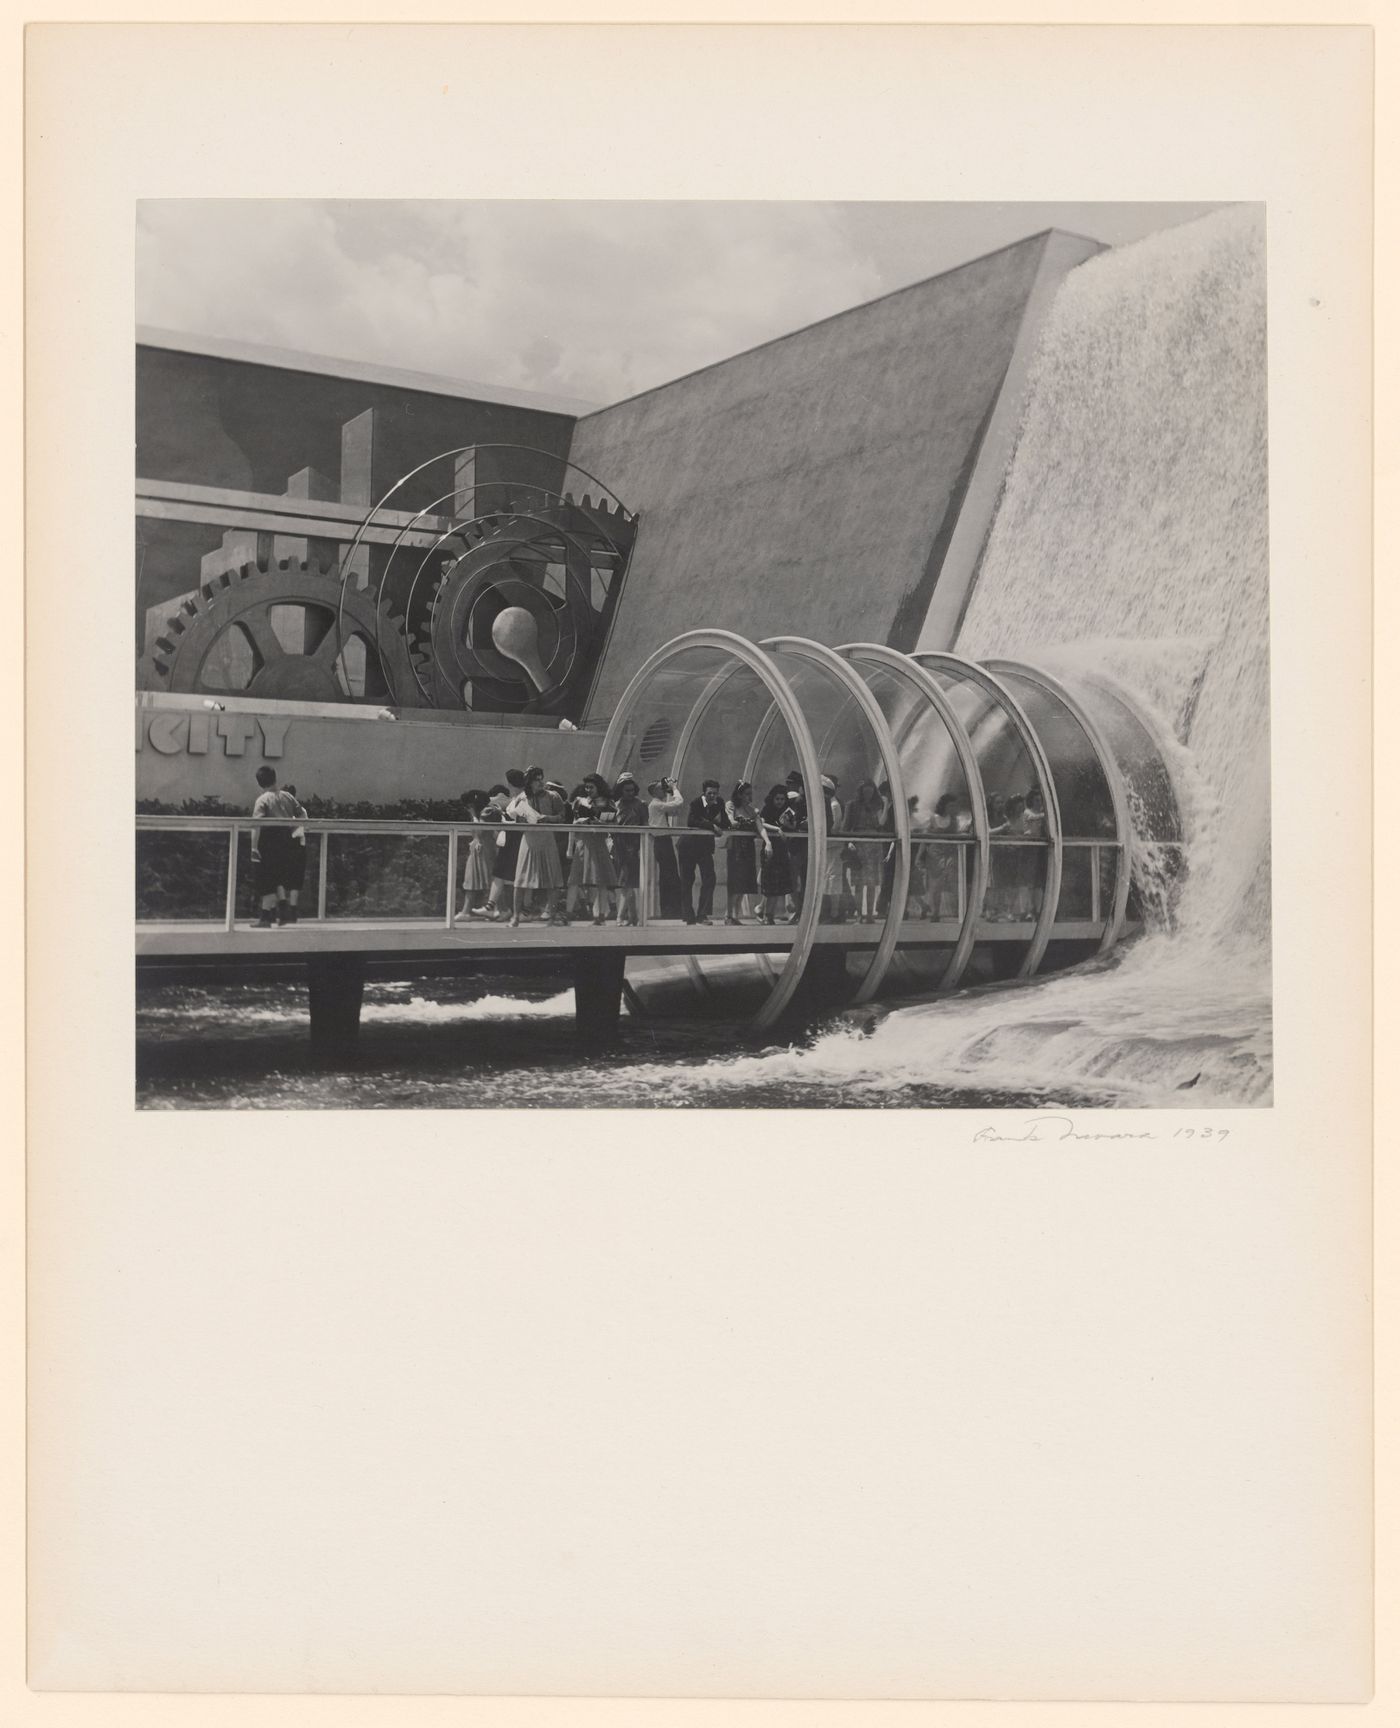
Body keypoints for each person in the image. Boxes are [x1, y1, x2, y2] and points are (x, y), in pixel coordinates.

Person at [508, 765, 567, 927]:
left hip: (547, 841)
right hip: (529, 840)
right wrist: (523, 818)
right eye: (536, 780)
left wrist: (546, 818)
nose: (540, 783)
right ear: (529, 782)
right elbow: (516, 818)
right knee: (520, 880)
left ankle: (552, 918)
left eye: (541, 779)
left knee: (553, 880)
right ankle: (515, 917)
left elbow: (562, 817)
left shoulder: (553, 796)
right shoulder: (521, 798)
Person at [248, 765, 303, 927]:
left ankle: (266, 917)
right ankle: (281, 911)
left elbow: (256, 825)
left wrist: (254, 847)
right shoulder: (287, 796)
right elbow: (301, 813)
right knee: (278, 877)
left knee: (265, 878)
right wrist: (295, 829)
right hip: (286, 840)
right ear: (275, 778)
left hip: (269, 840)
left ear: (259, 783)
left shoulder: (263, 800)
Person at [677, 778, 730, 925]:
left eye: (715, 793)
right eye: (710, 793)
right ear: (704, 792)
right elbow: (691, 821)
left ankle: (702, 914)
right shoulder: (696, 803)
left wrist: (715, 820)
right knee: (687, 880)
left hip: (704, 847)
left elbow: (726, 822)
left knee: (709, 878)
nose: (713, 796)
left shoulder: (719, 803)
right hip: (688, 846)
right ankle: (688, 915)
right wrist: (712, 826)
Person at [570, 773, 617, 925]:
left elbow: (613, 823)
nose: (588, 790)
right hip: (583, 843)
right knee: (576, 879)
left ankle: (601, 915)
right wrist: (579, 822)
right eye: (587, 787)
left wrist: (597, 821)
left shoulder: (607, 803)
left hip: (598, 843)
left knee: (601, 880)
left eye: (591, 787)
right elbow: (573, 822)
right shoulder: (581, 801)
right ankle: (569, 913)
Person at [845, 779, 886, 923]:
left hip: (874, 846)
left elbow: (881, 824)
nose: (868, 793)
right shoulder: (852, 805)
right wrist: (849, 841)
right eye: (865, 790)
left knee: (872, 883)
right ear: (861, 791)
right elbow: (846, 826)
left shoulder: (877, 806)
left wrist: (885, 806)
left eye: (871, 791)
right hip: (859, 845)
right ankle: (859, 914)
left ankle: (869, 914)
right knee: (859, 883)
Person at [610, 772, 648, 927]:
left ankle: (620, 916)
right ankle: (634, 916)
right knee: (626, 882)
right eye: (627, 790)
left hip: (633, 847)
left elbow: (645, 824)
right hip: (618, 846)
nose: (630, 793)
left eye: (632, 790)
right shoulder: (615, 805)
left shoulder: (640, 805)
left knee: (627, 882)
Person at [646, 776, 685, 919]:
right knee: (670, 876)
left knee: (668, 876)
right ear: (654, 792)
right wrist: (674, 788)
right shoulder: (656, 804)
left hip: (663, 841)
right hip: (662, 842)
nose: (664, 790)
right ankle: (671, 910)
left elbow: (675, 811)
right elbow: (679, 803)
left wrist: (670, 792)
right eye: (661, 789)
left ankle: (671, 909)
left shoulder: (658, 805)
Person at [723, 781, 761, 923]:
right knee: (735, 882)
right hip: (736, 847)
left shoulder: (751, 810)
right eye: (746, 794)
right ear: (739, 794)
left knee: (744, 883)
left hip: (748, 847)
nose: (749, 796)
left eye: (750, 794)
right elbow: (731, 821)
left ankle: (735, 914)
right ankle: (729, 915)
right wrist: (746, 821)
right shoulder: (731, 805)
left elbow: (759, 825)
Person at [758, 784, 794, 924]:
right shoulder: (767, 809)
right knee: (771, 885)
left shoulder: (788, 811)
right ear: (772, 798)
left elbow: (792, 826)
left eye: (782, 799)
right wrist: (778, 829)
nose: (780, 801)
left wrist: (788, 824)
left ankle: (769, 914)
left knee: (779, 885)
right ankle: (768, 915)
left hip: (782, 850)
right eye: (777, 798)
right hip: (770, 849)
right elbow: (761, 823)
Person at [457, 788, 493, 918]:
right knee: (471, 880)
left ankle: (498, 910)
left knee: (489, 881)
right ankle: (466, 911)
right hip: (477, 851)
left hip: (485, 851)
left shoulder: (486, 813)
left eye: (469, 806)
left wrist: (473, 814)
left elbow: (480, 832)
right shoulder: (479, 815)